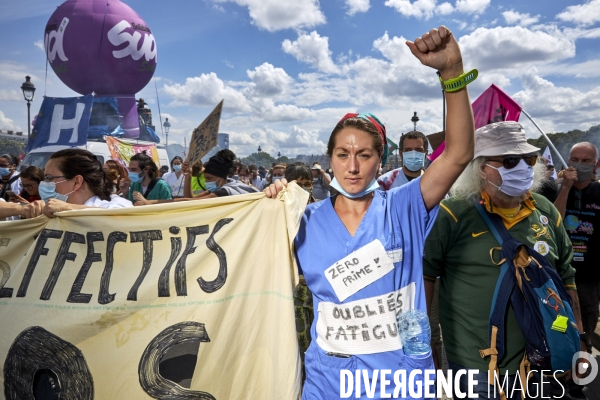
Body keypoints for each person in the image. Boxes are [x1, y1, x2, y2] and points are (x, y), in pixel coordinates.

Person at [266, 26, 475, 398]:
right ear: (328, 159)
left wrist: (452, 72)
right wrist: (267, 207)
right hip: (328, 383)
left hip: (401, 383)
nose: (353, 167)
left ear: (381, 160)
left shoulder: (405, 205)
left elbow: (458, 152)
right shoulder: (303, 221)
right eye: (342, 155)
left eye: (364, 155)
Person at [422, 121, 585, 399]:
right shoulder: (452, 214)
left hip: (541, 361)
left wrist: (576, 340)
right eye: (510, 160)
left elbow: (566, 278)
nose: (522, 166)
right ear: (481, 167)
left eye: (527, 159)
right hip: (474, 368)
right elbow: (426, 279)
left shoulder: (545, 210)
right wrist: (428, 350)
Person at [546, 142, 600, 358]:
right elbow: (553, 223)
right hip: (558, 277)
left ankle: (579, 376)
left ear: (596, 165)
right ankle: (561, 367)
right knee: (559, 324)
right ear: (567, 162)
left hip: (588, 279)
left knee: (584, 328)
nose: (579, 165)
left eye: (586, 161)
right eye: (574, 160)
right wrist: (566, 188)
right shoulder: (551, 189)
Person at [22, 148, 133, 218]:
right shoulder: (52, 212)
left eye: (48, 178)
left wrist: (67, 208)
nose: (44, 184)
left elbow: (123, 216)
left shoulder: (115, 203)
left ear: (76, 182)